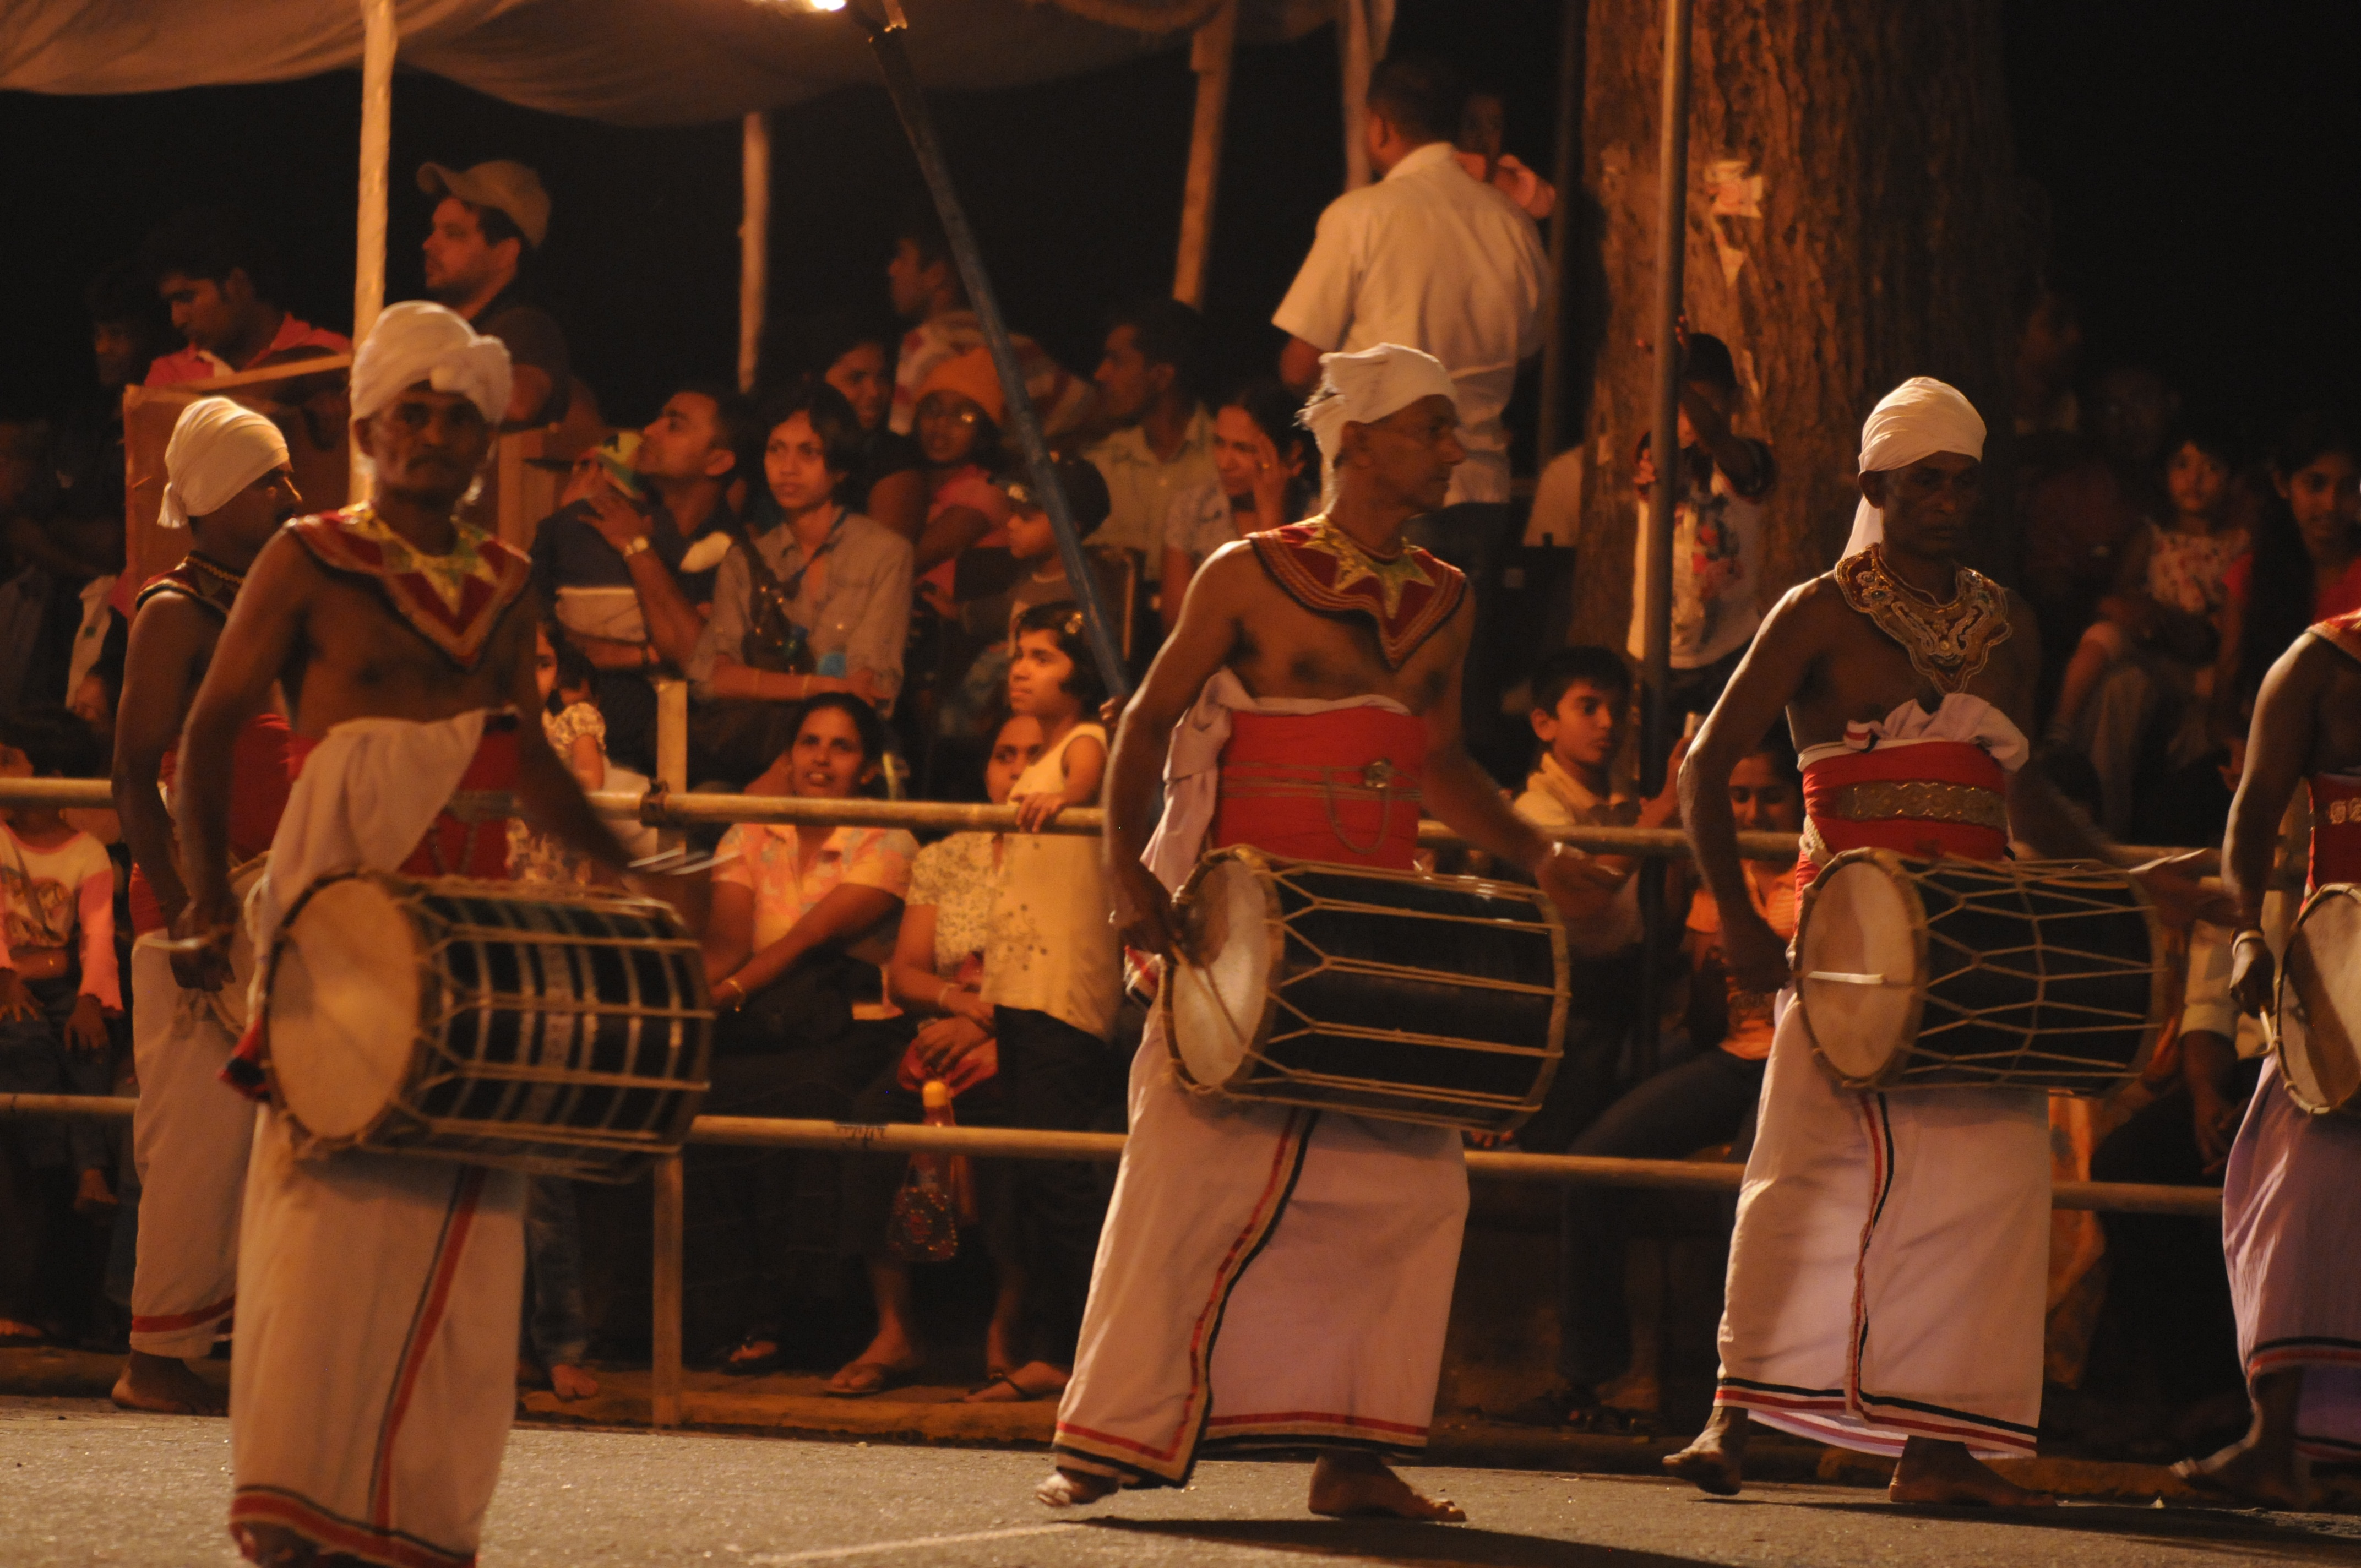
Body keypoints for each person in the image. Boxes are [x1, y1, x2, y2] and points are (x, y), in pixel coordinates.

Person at [1036, 344, 1612, 1520]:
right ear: (1352, 441)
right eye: (1430, 428)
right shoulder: (1246, 574)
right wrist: (1122, 869)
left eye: (1452, 429)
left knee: (1406, 1188)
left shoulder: (1446, 597)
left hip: (1376, 928)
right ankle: (1109, 1433)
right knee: (1186, 1174)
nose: (1453, 448)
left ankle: (1353, 1456)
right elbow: (1146, 720)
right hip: (1239, 925)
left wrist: (1538, 855)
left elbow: (1438, 761)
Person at [1660, 376, 2207, 1506]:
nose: (1949, 501)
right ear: (1874, 485)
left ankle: (1939, 1447)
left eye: (1963, 482)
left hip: (1978, 947)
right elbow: (1702, 769)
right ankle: (1731, 1416)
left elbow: (2023, 795)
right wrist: (1746, 931)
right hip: (1844, 944)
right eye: (1926, 482)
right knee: (1800, 1170)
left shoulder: (2008, 623)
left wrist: (2123, 877)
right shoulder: (1814, 612)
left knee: (1988, 1183)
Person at [173, 301, 638, 1568]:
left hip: (468, 943)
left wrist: (629, 866)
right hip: (336, 929)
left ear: (488, 440)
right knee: (323, 1216)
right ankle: (299, 1501)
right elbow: (208, 731)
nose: (434, 433)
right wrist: (206, 898)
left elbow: (523, 755)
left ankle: (417, 1517)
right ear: (369, 428)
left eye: (458, 416)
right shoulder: (308, 558)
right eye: (412, 412)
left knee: (469, 1224)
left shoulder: (508, 581)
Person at [107, 398, 299, 1417]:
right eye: (269, 481)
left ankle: (234, 1341)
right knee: (193, 1143)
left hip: (265, 908)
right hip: (196, 916)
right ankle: (156, 1360)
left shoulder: (267, 601)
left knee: (261, 1140)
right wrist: (191, 912)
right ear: (218, 496)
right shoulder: (173, 612)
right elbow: (134, 775)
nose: (290, 495)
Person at [1525, 730, 1801, 1430]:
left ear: (1798, 796)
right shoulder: (1725, 872)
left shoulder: (1815, 872)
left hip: (1798, 1064)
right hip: (1734, 1055)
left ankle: (1740, 1398)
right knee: (1593, 1165)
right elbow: (1711, 1019)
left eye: (1769, 796)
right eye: (1738, 796)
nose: (1752, 813)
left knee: (1742, 1194)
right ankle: (1589, 1375)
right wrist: (1716, 967)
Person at [2175, 602, 2361, 1506]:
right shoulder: (2318, 664)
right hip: (2342, 970)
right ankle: (2273, 1441)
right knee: (2294, 1192)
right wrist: (2247, 932)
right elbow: (2249, 814)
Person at [830, 712, 1045, 1397]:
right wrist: (959, 1005)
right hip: (944, 1032)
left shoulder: (1077, 851)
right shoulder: (948, 855)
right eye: (1005, 754)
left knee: (1018, 1129)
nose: (1017, 770)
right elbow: (907, 973)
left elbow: (1077, 971)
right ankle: (895, 1330)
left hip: (1032, 1035)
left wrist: (995, 1028)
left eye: (1035, 755)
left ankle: (1006, 1327)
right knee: (869, 1118)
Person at [702, 694, 917, 1375]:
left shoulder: (886, 839)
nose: (821, 758)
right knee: (700, 1091)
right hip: (769, 1024)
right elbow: (726, 943)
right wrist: (683, 1000)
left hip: (858, 1029)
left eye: (841, 746)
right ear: (788, 755)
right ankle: (725, 1310)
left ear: (867, 768)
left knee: (810, 1097)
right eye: (809, 742)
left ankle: (801, 1316)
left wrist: (727, 995)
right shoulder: (749, 832)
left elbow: (808, 939)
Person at [1273, 55, 1547, 516]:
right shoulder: (1514, 224)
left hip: (1384, 495)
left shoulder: (1361, 215)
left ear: (1379, 126)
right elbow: (1528, 352)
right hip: (1482, 489)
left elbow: (1300, 368)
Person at [970, 605, 1122, 1405]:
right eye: (1018, 656)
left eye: (1041, 656)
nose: (1021, 669)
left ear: (1079, 672)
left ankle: (1088, 1353)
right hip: (1026, 987)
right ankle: (1058, 1349)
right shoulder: (1051, 750)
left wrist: (1067, 798)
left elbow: (1089, 776)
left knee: (1060, 1177)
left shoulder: (1084, 742)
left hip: (1062, 988)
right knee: (1037, 1174)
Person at [686, 381, 914, 785]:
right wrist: (817, 685)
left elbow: (868, 689)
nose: (787, 468)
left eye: (808, 452)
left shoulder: (884, 553)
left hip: (841, 755)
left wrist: (778, 696)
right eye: (776, 450)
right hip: (754, 749)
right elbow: (713, 678)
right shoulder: (746, 559)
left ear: (840, 466)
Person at [1507, 646, 1681, 1154]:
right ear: (1544, 723)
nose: (1607, 724)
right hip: (1569, 1000)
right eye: (1588, 708)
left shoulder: (1627, 803)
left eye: (1617, 711)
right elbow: (1582, 894)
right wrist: (1658, 820)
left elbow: (1665, 912)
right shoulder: (1536, 808)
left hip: (1631, 986)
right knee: (1566, 1145)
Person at [531, 381, 750, 772]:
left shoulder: (734, 555)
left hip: (668, 758)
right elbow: (536, 630)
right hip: (567, 744)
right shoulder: (595, 523)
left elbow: (696, 659)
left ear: (717, 461)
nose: (649, 430)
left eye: (675, 425)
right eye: (659, 418)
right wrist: (643, 654)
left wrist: (636, 548)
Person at [2049, 420, 2249, 837]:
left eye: (2211, 468)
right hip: (2153, 650)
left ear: (2233, 481)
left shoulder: (2239, 546)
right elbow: (2121, 594)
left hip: (2204, 666)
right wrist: (2146, 613)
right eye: (2183, 465)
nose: (2195, 480)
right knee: (2107, 646)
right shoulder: (2153, 536)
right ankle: (2062, 735)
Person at [0, 708, 122, 1345]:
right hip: (11, 980)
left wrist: (91, 1000)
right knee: (27, 1043)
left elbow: (97, 931)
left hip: (61, 982)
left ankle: (86, 1171)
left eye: (8, 763)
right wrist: (4, 975)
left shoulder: (87, 852)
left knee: (88, 1053)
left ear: (50, 778)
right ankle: (73, 1167)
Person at [1626, 331, 1777, 721]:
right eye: (1678, 408)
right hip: (1659, 653)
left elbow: (1717, 438)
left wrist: (1675, 381)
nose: (1690, 421)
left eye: (1705, 403)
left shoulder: (1748, 459)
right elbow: (1665, 469)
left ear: (1734, 401)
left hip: (1731, 650)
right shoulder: (1658, 450)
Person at [886, 201, 1092, 439]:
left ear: (936, 275)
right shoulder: (1022, 350)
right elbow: (1091, 411)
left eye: (902, 257)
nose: (892, 269)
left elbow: (907, 444)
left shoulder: (923, 346)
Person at [418, 160, 573, 427]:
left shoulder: (525, 328)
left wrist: (410, 370)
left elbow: (517, 404)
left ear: (505, 254)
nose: (429, 245)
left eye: (453, 234)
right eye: (434, 231)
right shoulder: (428, 330)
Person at [1158, 380, 1314, 631]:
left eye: (1243, 449)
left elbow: (1283, 629)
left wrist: (1271, 518)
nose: (1224, 463)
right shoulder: (1192, 508)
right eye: (1219, 443)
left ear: (1293, 455)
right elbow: (1178, 626)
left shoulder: (1317, 517)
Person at [1082, 298, 1216, 580]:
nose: (1100, 374)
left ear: (1162, 376)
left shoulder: (1225, 461)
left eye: (1117, 362)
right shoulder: (1101, 464)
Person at [142, 209, 350, 387]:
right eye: (171, 304)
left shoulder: (335, 354)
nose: (177, 320)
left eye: (187, 298)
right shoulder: (169, 375)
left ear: (238, 284)